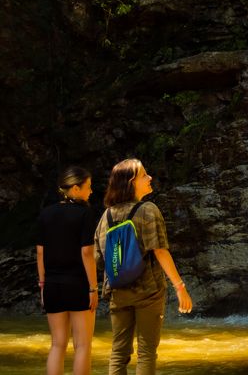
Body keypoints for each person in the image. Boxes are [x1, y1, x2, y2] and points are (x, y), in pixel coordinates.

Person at [95, 158, 193, 375]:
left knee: (118, 353)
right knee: (147, 351)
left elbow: (99, 257)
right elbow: (159, 250)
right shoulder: (148, 210)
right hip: (149, 291)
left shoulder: (106, 216)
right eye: (144, 175)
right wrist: (180, 287)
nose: (150, 178)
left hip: (118, 292)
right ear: (131, 182)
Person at [35, 165, 99, 375]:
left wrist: (43, 285)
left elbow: (41, 253)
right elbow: (87, 252)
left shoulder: (46, 213)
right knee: (82, 345)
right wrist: (93, 288)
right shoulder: (85, 213)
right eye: (88, 186)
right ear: (75, 188)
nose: (91, 191)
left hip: (52, 285)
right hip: (79, 284)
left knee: (57, 345)